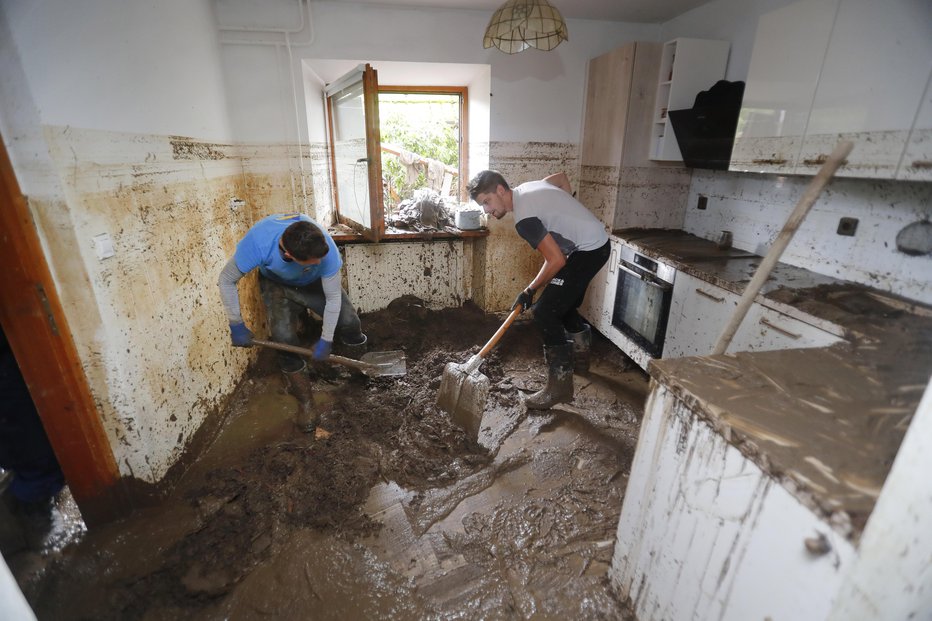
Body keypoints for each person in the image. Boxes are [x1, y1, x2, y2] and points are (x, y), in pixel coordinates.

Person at [468, 170, 609, 409]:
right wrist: (568, 212)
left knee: (545, 311)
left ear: (501, 191)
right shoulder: (529, 187)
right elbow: (562, 178)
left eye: (487, 201)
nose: (486, 210)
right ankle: (582, 358)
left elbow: (556, 261)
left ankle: (559, 387)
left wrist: (529, 290)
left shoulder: (524, 220)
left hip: (589, 251)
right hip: (596, 241)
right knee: (564, 302)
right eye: (483, 205)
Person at [218, 213, 367, 432]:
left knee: (349, 322)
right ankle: (306, 403)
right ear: (288, 254)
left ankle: (359, 377)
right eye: (312, 261)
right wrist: (236, 324)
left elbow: (334, 298)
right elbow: (226, 279)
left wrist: (326, 340)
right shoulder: (258, 243)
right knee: (283, 339)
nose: (319, 262)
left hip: (314, 283)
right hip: (277, 285)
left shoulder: (326, 251)